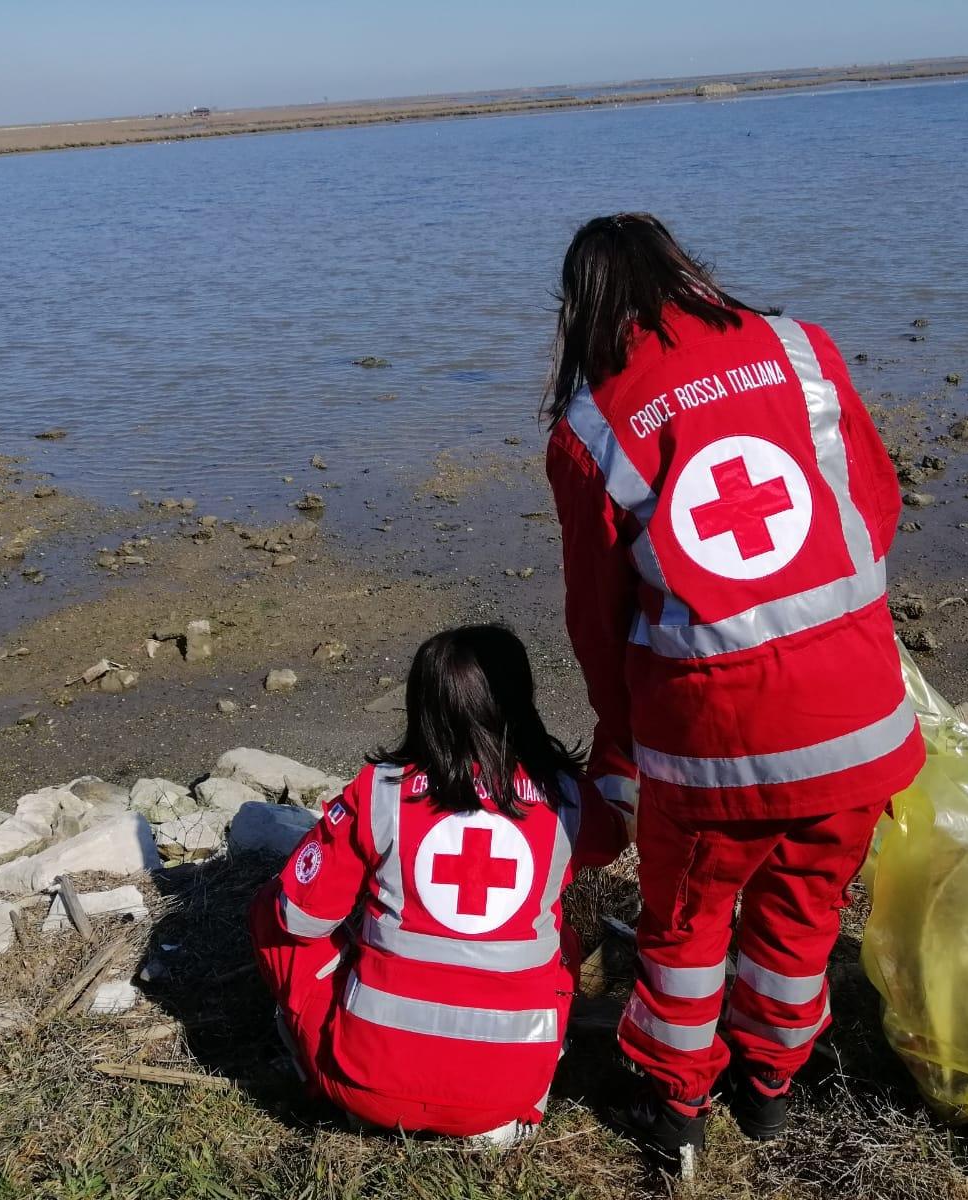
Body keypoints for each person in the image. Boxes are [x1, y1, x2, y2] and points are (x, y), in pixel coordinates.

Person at [544, 213, 925, 1171]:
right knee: (805, 910)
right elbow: (876, 508)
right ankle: (768, 1091)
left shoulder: (592, 426)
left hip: (717, 748)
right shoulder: (801, 349)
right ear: (685, 269)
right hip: (862, 720)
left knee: (685, 926)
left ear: (582, 308)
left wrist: (624, 735)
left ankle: (676, 1106)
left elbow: (597, 618)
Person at [248, 624, 628, 1143]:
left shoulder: (381, 791)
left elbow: (298, 918)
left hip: (367, 1087)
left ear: (421, 705)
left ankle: (324, 1068)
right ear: (521, 702)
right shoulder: (568, 798)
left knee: (273, 909)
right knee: (558, 940)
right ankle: (512, 1096)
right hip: (506, 1094)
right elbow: (613, 836)